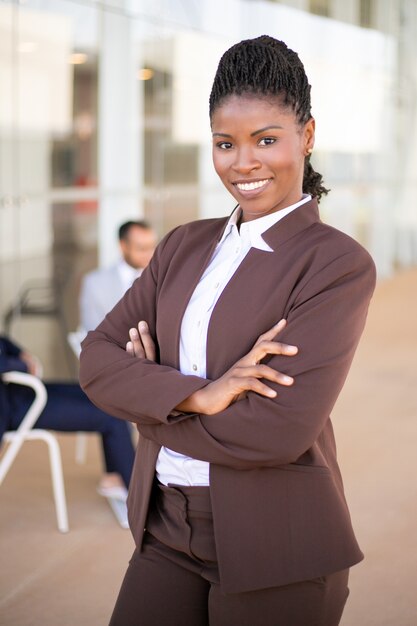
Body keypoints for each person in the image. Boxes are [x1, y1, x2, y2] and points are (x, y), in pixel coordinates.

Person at [79, 36, 377, 626]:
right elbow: (97, 359)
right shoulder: (183, 245)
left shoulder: (334, 264)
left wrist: (149, 408)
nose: (244, 162)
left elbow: (274, 432)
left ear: (307, 137)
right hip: (164, 530)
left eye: (266, 139)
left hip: (277, 544)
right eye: (225, 143)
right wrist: (202, 394)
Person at [0, 335, 135, 502]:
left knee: (101, 395)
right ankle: (142, 498)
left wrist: (20, 353)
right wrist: (23, 365)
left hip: (16, 391)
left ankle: (115, 478)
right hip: (9, 409)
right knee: (112, 416)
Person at [79, 220, 157, 331]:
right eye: (142, 248)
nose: (150, 254)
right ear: (123, 246)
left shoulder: (161, 278)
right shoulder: (95, 283)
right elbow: (91, 331)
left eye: (153, 247)